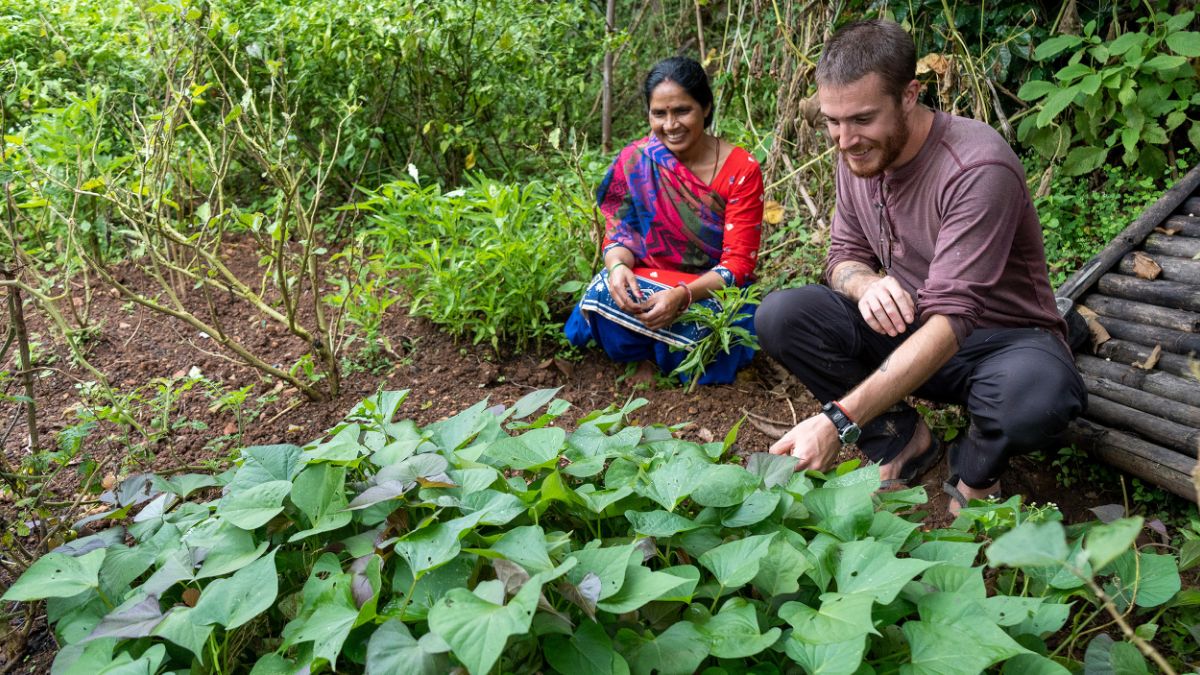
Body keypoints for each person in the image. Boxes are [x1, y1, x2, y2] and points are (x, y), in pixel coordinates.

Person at [755, 19, 1085, 514]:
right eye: (833, 121)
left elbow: (954, 320)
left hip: (998, 342)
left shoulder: (975, 167)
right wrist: (865, 284)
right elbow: (842, 255)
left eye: (862, 119)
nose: (844, 140)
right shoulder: (858, 153)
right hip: (914, 329)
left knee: (1037, 398)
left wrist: (837, 421)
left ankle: (976, 468)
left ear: (910, 94)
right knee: (782, 315)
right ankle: (900, 439)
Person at [565, 56, 764, 384]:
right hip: (650, 282)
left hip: (709, 290)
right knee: (604, 291)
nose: (671, 125)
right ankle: (646, 356)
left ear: (706, 108)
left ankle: (664, 354)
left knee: (734, 329)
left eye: (682, 111)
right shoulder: (636, 160)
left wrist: (682, 296)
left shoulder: (741, 169)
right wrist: (618, 268)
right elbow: (621, 234)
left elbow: (738, 265)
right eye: (660, 114)